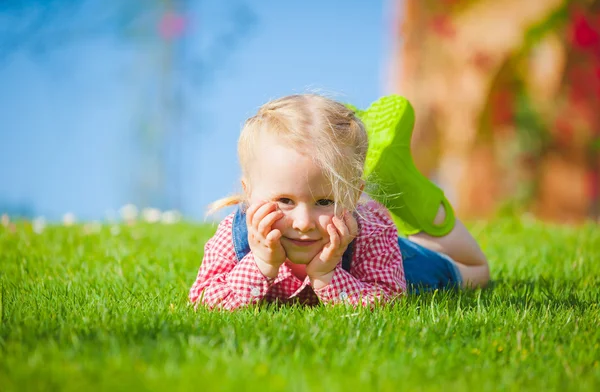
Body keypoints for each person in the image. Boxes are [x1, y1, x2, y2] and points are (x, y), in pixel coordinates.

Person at [189, 94, 489, 310]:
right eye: (284, 200)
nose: (304, 223)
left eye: (324, 201)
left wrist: (328, 277)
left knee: (474, 272)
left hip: (400, 262)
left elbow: (389, 300)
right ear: (248, 194)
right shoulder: (233, 235)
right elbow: (203, 300)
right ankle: (390, 178)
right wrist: (261, 264)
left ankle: (412, 193)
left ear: (354, 197)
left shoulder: (371, 235)